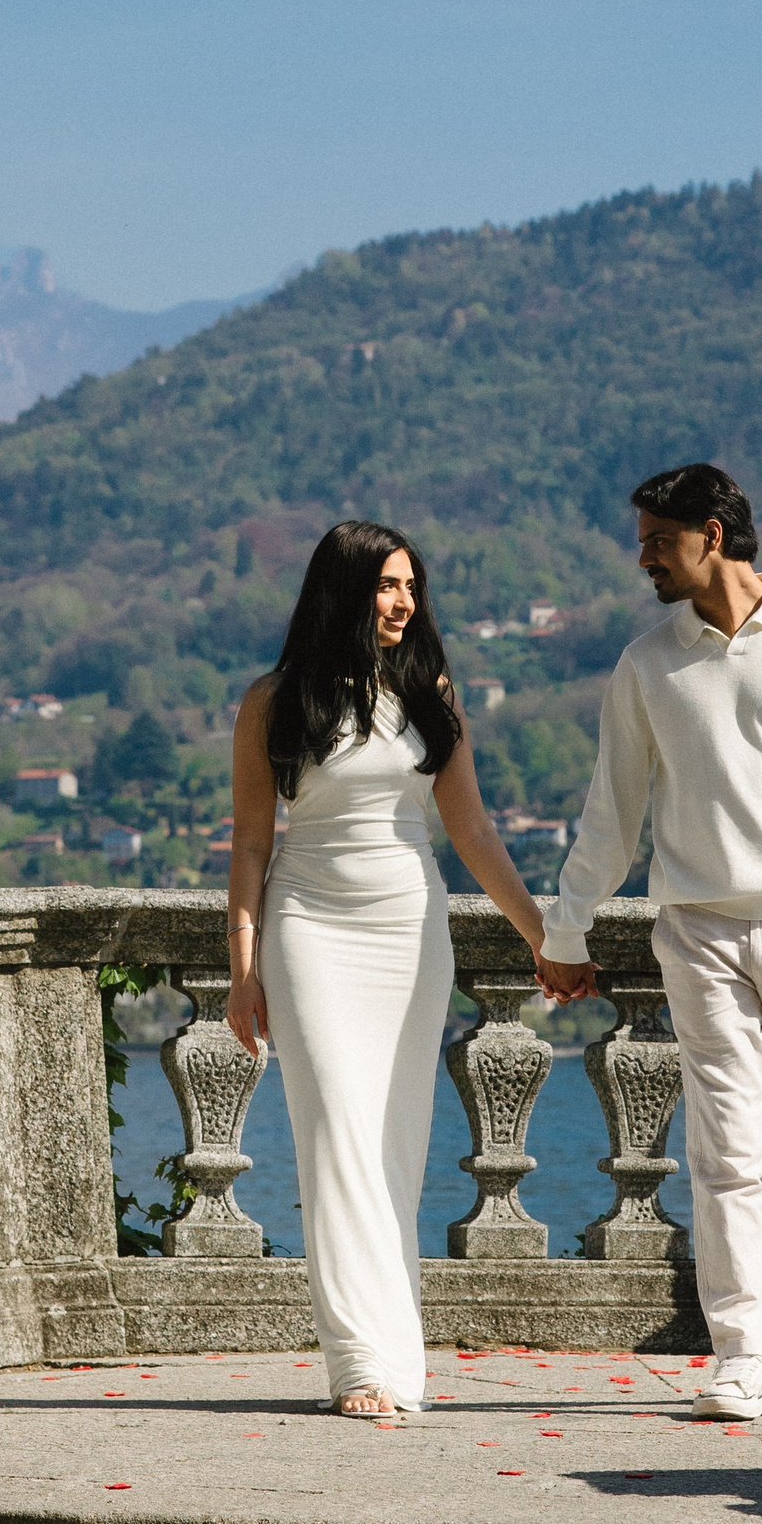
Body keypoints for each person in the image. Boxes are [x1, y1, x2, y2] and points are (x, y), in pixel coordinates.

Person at [535, 464, 762, 1422]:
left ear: (712, 533)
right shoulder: (646, 664)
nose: (645, 560)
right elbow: (610, 815)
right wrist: (566, 927)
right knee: (725, 1147)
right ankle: (742, 1350)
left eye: (659, 541)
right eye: (642, 544)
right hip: (697, 929)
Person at [225, 520, 549, 1420]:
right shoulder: (272, 700)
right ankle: (358, 1362)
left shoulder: (429, 691)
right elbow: (250, 844)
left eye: (411, 585)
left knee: (394, 1144)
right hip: (308, 928)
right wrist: (242, 969)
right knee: (336, 1131)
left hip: (409, 931)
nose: (404, 601)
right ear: (344, 590)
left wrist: (542, 933)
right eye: (386, 585)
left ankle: (398, 1353)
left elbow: (471, 828)